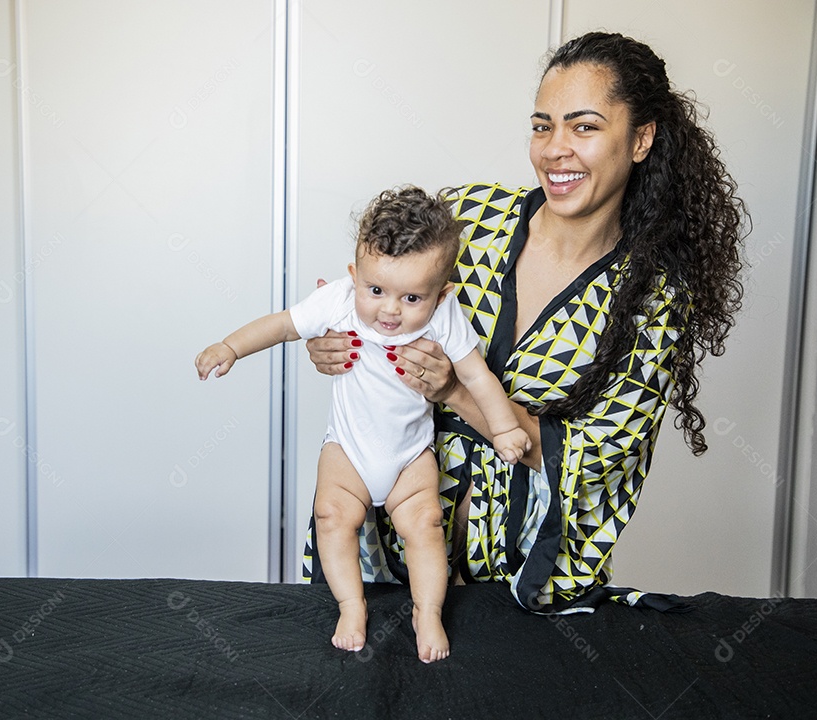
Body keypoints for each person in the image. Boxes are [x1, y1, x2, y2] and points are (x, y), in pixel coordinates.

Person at [304, 32, 747, 615]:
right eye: (543, 126)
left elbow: (592, 458)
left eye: (584, 127)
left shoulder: (654, 298)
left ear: (640, 139)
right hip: (382, 551)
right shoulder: (468, 217)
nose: (555, 149)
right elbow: (377, 302)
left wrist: (458, 392)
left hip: (515, 581)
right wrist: (333, 344)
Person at [196, 186, 531, 662]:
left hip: (410, 455)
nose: (390, 310)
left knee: (427, 525)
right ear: (354, 276)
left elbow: (477, 375)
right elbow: (283, 325)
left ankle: (428, 610)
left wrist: (503, 429)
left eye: (411, 297)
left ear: (442, 293)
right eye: (375, 290)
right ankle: (351, 606)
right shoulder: (338, 301)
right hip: (348, 451)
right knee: (332, 517)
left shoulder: (444, 317)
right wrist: (229, 347)